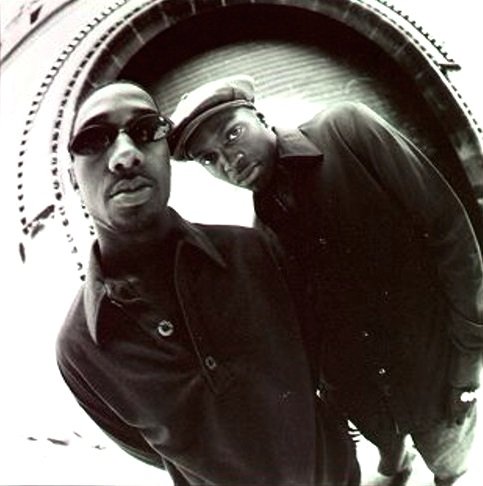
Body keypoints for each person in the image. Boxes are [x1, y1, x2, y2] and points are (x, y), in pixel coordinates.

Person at [169, 75, 483, 486]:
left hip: (437, 380)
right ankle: (397, 466)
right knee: (392, 457)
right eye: (209, 158)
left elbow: (451, 235)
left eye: (232, 134)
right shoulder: (262, 232)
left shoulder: (348, 130)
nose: (229, 160)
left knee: (449, 467)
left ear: (259, 117)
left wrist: (468, 365)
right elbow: (311, 327)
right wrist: (336, 398)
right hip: (372, 404)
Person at [56, 79, 360, 486]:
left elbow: (316, 362)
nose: (126, 155)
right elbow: (145, 449)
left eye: (146, 130)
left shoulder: (256, 252)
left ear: (166, 157)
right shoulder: (80, 350)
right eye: (94, 139)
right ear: (73, 178)